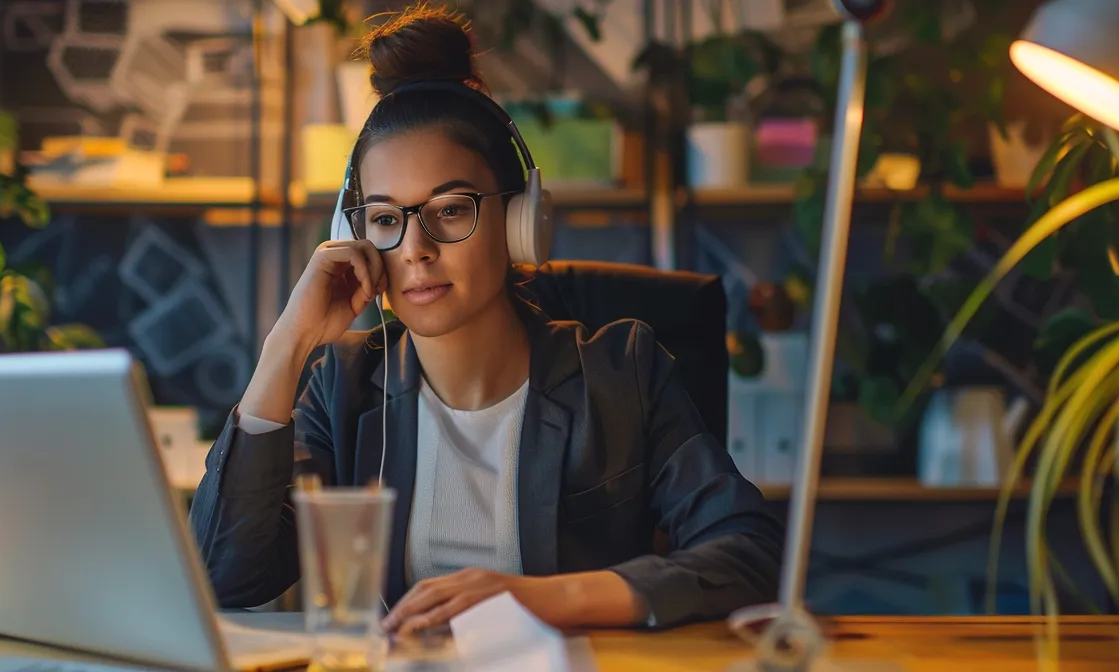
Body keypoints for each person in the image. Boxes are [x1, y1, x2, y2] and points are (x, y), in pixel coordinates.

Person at [189, 5, 784, 637]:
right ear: (355, 235)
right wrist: (289, 342)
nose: (415, 247)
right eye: (386, 219)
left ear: (522, 221)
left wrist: (546, 600)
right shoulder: (344, 384)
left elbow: (749, 553)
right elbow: (226, 576)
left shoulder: (619, 375)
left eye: (451, 209)